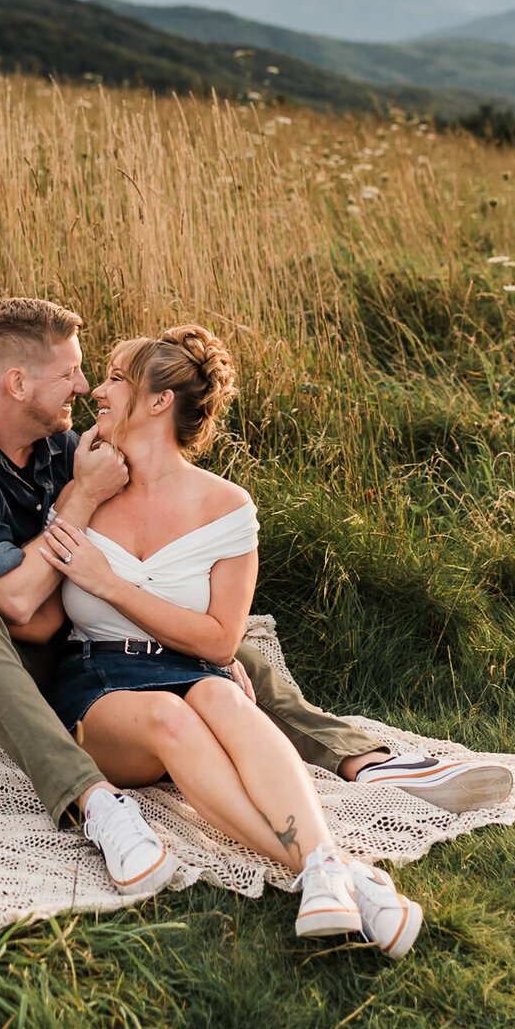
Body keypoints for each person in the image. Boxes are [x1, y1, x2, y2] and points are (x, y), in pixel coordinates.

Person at [0, 298, 511, 899]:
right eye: (72, 371)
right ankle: (93, 803)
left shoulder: (67, 450)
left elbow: (49, 611)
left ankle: (362, 762)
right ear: (17, 383)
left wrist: (191, 642)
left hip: (41, 647)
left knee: (217, 642)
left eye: (91, 373)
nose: (83, 386)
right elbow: (19, 606)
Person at [36, 322, 425, 953]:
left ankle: (324, 868)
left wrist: (109, 584)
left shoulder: (228, 507)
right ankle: (336, 871)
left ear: (159, 401)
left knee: (222, 696)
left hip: (196, 670)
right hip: (99, 683)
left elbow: (220, 643)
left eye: (113, 379)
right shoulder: (82, 481)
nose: (96, 393)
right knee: (169, 714)